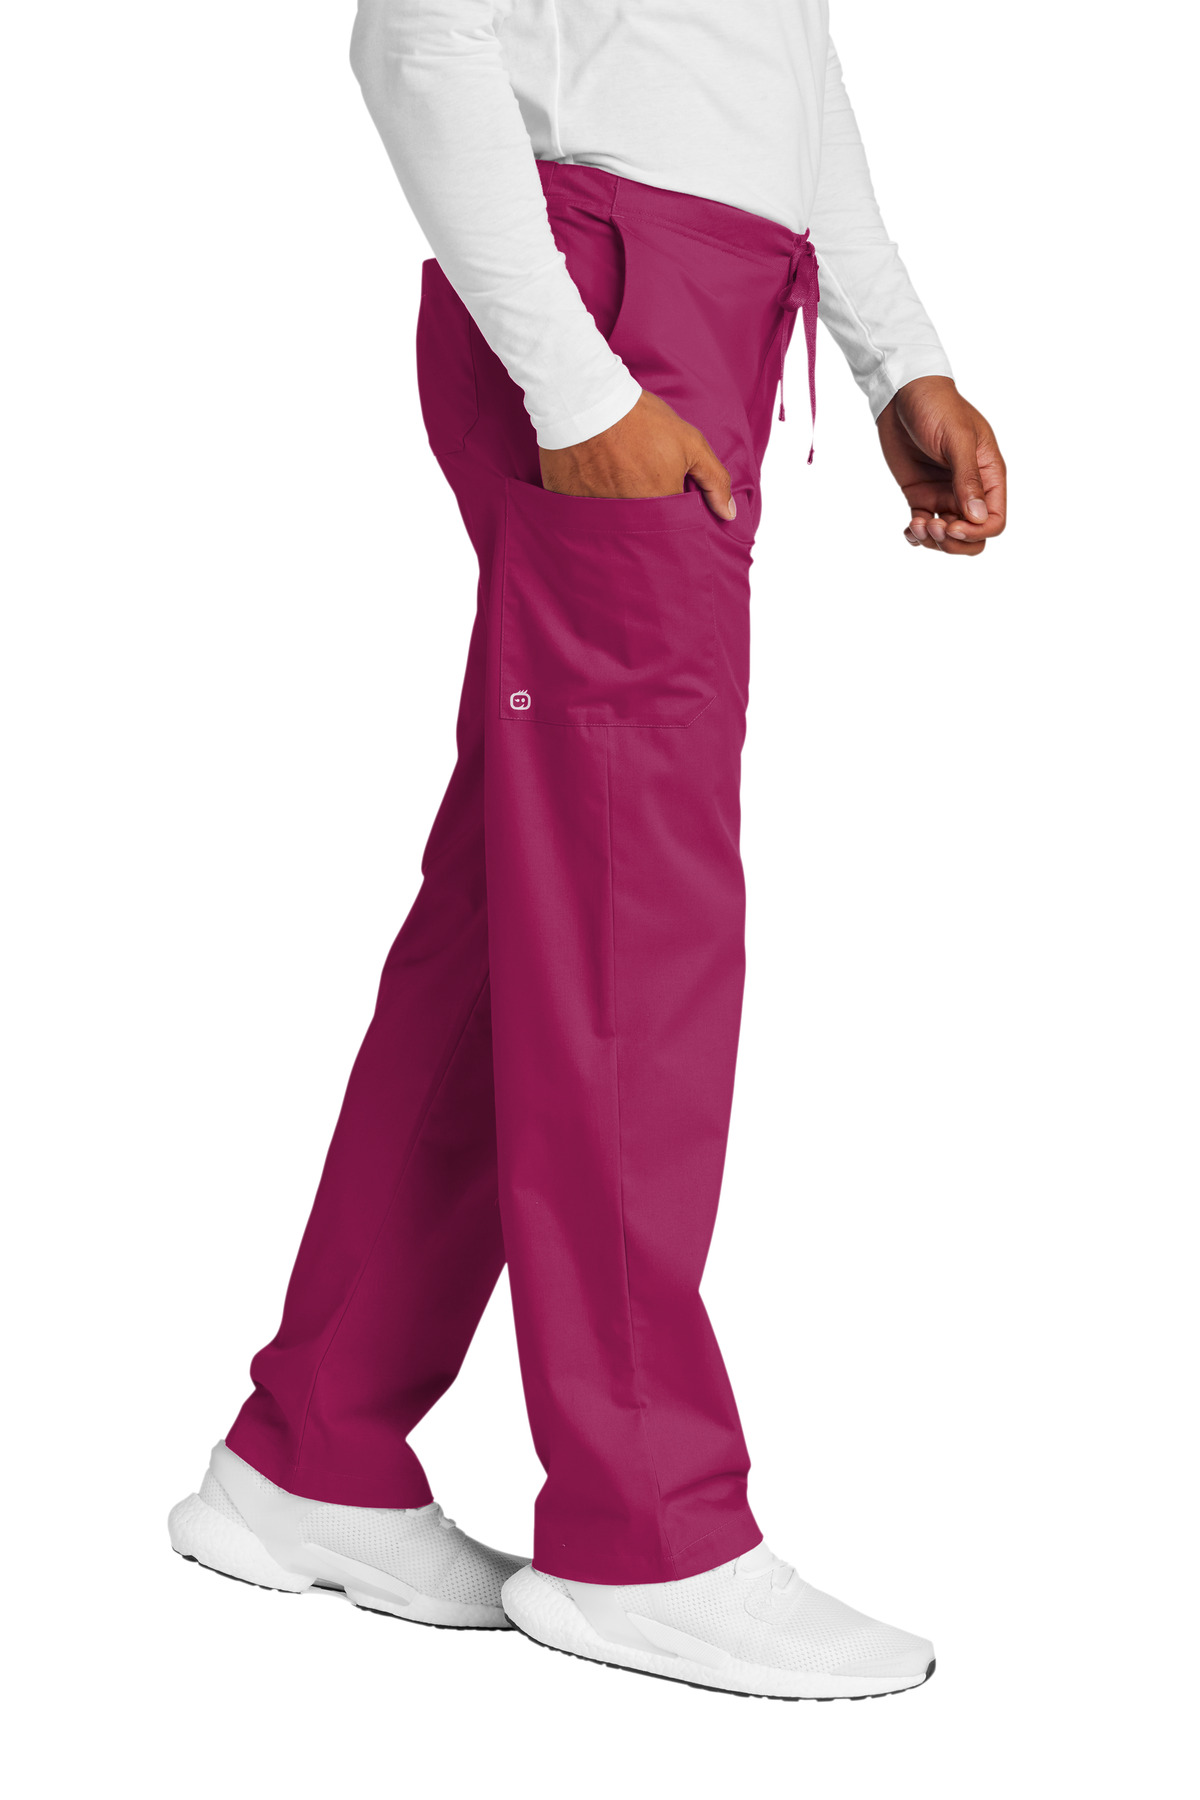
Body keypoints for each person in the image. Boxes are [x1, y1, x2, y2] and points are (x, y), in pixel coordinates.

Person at [169, 0, 1005, 1702]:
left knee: (529, 912)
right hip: (611, 318)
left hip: (692, 308)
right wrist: (577, 380)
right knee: (638, 923)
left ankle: (316, 1443)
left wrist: (893, 349)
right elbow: (414, 36)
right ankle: (647, 1536)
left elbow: (782, 56)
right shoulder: (589, 352)